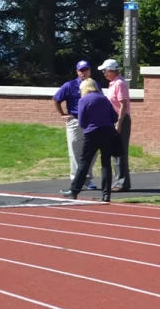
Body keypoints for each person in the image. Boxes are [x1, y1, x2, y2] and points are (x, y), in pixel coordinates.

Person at [62, 79, 119, 202]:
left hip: (92, 133)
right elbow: (115, 117)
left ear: (85, 88)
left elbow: (82, 122)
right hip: (107, 132)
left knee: (84, 163)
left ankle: (74, 191)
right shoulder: (104, 99)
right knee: (106, 163)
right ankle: (106, 194)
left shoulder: (83, 100)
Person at [53, 61, 97, 190]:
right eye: (81, 70)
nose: (83, 72)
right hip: (75, 120)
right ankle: (76, 180)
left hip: (91, 121)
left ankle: (87, 179)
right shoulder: (69, 85)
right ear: (77, 71)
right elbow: (56, 99)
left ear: (89, 70)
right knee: (75, 151)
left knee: (92, 152)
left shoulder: (95, 84)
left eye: (86, 69)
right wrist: (62, 114)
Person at [99, 58, 132, 192]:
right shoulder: (113, 83)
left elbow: (123, 105)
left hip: (121, 120)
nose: (104, 74)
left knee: (120, 151)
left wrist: (119, 123)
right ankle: (119, 181)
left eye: (105, 71)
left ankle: (122, 182)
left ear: (111, 71)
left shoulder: (120, 83)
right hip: (113, 120)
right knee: (115, 151)